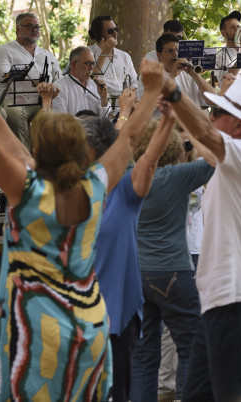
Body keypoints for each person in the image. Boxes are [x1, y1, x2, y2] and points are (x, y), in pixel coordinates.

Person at [0, 51, 160, 401]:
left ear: (39, 152)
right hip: (89, 328)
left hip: (34, 336)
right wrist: (151, 90)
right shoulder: (95, 185)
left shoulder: (28, 192)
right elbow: (130, 139)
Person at [155, 76, 241, 401]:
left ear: (239, 125)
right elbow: (204, 137)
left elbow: (205, 135)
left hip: (235, 300)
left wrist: (173, 91)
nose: (211, 116)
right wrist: (176, 110)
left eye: (217, 111)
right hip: (225, 301)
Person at [130, 109, 216, 402]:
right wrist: (193, 134)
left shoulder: (130, 177)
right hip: (173, 272)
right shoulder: (177, 175)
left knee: (143, 353)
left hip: (138, 275)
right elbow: (216, 158)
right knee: (193, 345)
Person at [87, 111, 170, 402]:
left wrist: (168, 121)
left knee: (116, 392)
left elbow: (148, 159)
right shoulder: (64, 191)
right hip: (72, 318)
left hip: (115, 317)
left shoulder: (123, 193)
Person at [0, 12, 61, 147]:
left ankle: (49, 156)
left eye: (37, 27)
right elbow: (1, 76)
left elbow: (59, 79)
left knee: (61, 112)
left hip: (44, 99)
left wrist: (52, 88)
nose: (34, 30)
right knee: (14, 113)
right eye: (29, 26)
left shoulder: (47, 54)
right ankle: (24, 157)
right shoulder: (4, 50)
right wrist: (33, 83)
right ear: (17, 29)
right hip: (14, 99)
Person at [140, 33, 214, 111]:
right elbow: (147, 104)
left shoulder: (188, 72)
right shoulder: (149, 74)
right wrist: (172, 76)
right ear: (159, 55)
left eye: (178, 50)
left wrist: (196, 76)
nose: (175, 54)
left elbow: (212, 101)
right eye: (170, 51)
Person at [88, 15, 138, 97]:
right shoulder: (87, 53)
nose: (115, 33)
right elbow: (88, 81)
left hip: (123, 103)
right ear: (99, 34)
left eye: (116, 29)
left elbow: (134, 83)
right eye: (110, 31)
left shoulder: (125, 56)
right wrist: (105, 52)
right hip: (99, 103)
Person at [52, 46, 109, 117]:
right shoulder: (59, 87)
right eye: (88, 63)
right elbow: (61, 120)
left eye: (93, 64)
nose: (91, 68)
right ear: (74, 65)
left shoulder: (96, 86)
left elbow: (106, 118)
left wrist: (103, 98)